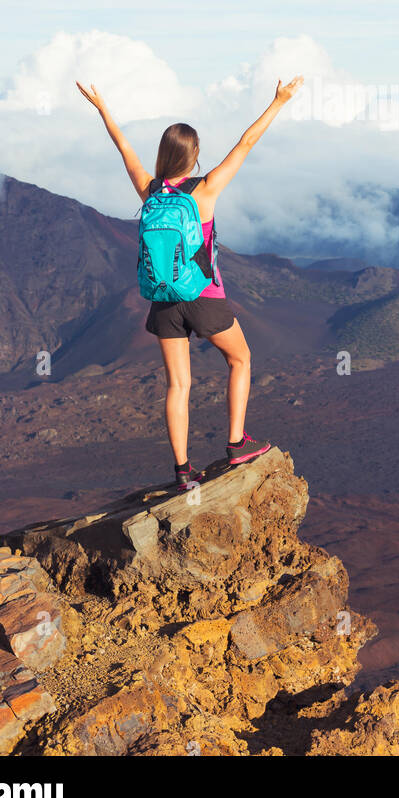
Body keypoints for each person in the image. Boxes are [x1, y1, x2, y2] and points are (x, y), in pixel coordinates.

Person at [76, 75, 303, 489]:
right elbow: (246, 144)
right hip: (203, 294)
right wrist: (279, 101)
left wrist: (102, 108)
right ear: (194, 156)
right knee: (241, 360)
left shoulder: (149, 190)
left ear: (163, 154)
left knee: (178, 384)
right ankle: (236, 443)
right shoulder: (205, 190)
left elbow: (122, 147)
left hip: (162, 299)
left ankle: (183, 471)